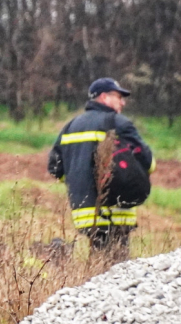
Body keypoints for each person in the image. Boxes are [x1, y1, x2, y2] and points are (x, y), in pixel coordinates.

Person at [48, 78, 155, 259]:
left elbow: (55, 168)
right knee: (117, 272)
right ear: (104, 97)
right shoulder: (118, 123)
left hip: (85, 213)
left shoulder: (70, 127)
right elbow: (149, 162)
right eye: (119, 97)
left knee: (98, 270)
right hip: (115, 210)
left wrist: (80, 180)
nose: (123, 102)